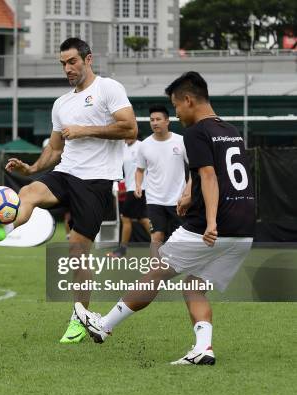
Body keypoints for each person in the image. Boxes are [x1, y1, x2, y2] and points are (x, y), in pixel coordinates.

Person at [74, 71, 255, 365]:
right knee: (193, 285)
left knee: (155, 272)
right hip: (244, 229)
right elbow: (211, 174)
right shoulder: (231, 129)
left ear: (188, 100)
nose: (176, 113)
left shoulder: (196, 132)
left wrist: (210, 222)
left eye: (176, 106)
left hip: (211, 227)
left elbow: (209, 177)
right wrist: (187, 194)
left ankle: (104, 325)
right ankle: (203, 348)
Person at [0, 37, 138, 343]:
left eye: (72, 61)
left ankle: (79, 316)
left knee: (77, 252)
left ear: (88, 59)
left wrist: (86, 129)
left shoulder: (108, 88)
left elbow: (130, 128)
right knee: (31, 192)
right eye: (63, 64)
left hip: (96, 181)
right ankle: (0, 230)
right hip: (65, 172)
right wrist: (32, 168)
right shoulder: (61, 104)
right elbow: (56, 148)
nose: (67, 69)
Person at [135, 105, 189, 255]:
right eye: (152, 120)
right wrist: (138, 184)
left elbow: (194, 169)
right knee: (156, 237)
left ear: (167, 121)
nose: (154, 122)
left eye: (158, 119)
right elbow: (139, 170)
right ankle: (155, 272)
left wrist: (188, 191)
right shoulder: (144, 145)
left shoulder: (181, 141)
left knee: (183, 238)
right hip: (154, 200)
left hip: (178, 200)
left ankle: (183, 268)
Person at [108, 138, 151, 257]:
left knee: (126, 218)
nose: (126, 137)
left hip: (138, 189)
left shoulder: (142, 146)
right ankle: (161, 246)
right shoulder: (123, 148)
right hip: (131, 188)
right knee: (143, 219)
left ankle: (122, 250)